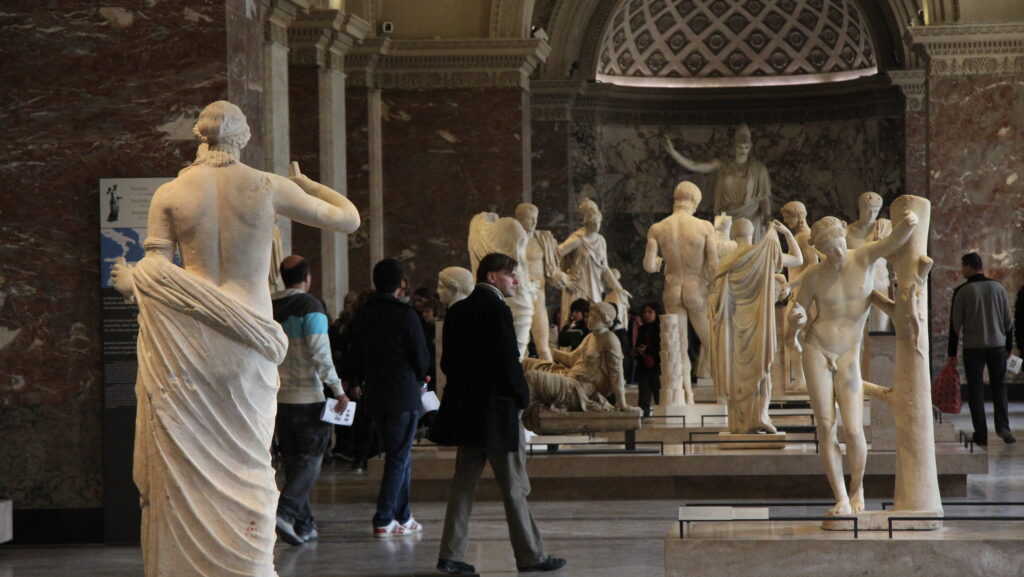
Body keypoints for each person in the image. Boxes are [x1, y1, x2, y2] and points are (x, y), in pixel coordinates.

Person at [109, 100, 359, 576]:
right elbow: (347, 218)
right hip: (250, 340)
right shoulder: (266, 185)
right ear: (243, 138)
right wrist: (306, 183)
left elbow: (154, 272)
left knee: (190, 456)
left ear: (200, 139)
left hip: (193, 343)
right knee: (249, 462)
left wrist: (144, 284)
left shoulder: (170, 193)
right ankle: (245, 564)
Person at [429, 253, 567, 575]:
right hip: (497, 414)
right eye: (511, 275)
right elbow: (507, 362)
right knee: (514, 487)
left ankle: (450, 555)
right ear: (492, 277)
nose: (515, 280)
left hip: (467, 414)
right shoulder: (497, 310)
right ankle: (531, 555)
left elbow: (447, 364)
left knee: (462, 486)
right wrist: (522, 397)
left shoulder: (458, 311)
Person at [788, 210, 918, 516]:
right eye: (827, 249)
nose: (835, 253)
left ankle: (857, 488)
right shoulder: (816, 275)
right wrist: (798, 318)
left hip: (848, 353)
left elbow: (893, 241)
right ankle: (841, 498)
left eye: (837, 244)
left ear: (844, 235)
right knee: (825, 426)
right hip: (817, 348)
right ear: (819, 249)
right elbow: (800, 309)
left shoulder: (864, 257)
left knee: (854, 429)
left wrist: (908, 222)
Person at [345, 258, 430, 536]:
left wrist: (356, 380)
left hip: (375, 395)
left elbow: (352, 354)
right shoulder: (405, 315)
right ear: (400, 284)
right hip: (403, 394)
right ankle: (384, 517)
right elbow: (421, 357)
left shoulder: (363, 314)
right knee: (398, 457)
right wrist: (420, 377)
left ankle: (403, 516)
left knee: (399, 456)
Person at [272, 255, 349, 545]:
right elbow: (320, 353)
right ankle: (286, 511)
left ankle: (304, 525)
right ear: (308, 278)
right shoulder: (310, 307)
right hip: (308, 397)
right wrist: (338, 390)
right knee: (311, 461)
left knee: (294, 462)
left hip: (279, 398)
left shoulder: (270, 306)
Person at [709, 219, 802, 434]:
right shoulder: (763, 255)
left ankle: (742, 422)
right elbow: (798, 259)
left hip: (733, 326)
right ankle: (758, 417)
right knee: (761, 372)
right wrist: (786, 233)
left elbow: (714, 299)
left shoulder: (725, 263)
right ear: (753, 233)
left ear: (733, 235)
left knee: (738, 374)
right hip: (759, 324)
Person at [643, 181, 719, 404]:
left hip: (672, 289)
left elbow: (648, 266)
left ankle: (686, 397)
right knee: (713, 343)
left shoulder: (658, 228)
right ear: (694, 200)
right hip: (697, 289)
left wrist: (659, 262)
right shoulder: (704, 227)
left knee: (679, 348)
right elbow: (714, 266)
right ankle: (725, 394)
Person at [949, 252, 1015, 445]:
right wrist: (1009, 347)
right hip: (998, 345)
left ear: (969, 267)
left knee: (976, 390)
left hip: (973, 348)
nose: (962, 271)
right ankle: (1004, 428)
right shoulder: (998, 288)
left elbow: (955, 326)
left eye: (963, 267)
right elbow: (1007, 322)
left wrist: (951, 354)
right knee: (999, 386)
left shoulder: (962, 291)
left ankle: (981, 434)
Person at [664, 124, 773, 240]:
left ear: (750, 147)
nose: (743, 151)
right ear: (734, 147)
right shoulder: (723, 166)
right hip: (727, 218)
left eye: (746, 147)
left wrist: (767, 221)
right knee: (727, 254)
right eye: (740, 147)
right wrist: (673, 152)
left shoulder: (758, 169)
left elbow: (764, 198)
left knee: (750, 254)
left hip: (751, 218)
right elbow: (694, 166)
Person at [559, 198, 629, 326]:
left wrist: (619, 289)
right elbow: (554, 255)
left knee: (595, 322)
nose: (597, 226)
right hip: (577, 287)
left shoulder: (601, 241)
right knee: (575, 322)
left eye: (599, 222)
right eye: (593, 223)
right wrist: (564, 279)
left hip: (595, 287)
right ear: (586, 222)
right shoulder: (577, 240)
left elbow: (605, 269)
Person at [633, 302, 663, 417]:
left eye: (650, 312)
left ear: (656, 313)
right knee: (643, 398)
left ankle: (661, 419)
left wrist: (648, 350)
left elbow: (662, 346)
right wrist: (638, 351)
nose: (647, 314)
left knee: (659, 396)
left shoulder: (660, 328)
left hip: (657, 367)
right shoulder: (641, 329)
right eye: (645, 312)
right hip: (644, 366)